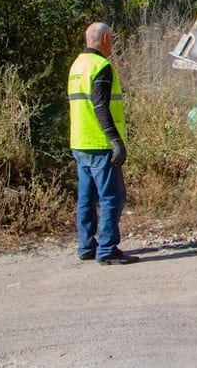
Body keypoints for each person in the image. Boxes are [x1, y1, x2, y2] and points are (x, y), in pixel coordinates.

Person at [68, 22, 139, 265]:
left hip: (80, 143)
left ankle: (86, 246)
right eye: (113, 39)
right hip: (100, 145)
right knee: (112, 197)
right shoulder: (101, 66)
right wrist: (116, 141)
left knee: (86, 199)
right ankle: (107, 249)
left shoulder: (77, 66)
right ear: (106, 39)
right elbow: (101, 107)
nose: (113, 44)